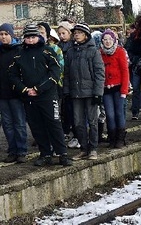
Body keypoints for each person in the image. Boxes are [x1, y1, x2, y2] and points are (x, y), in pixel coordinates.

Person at [8, 24, 72, 166]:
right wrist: (25, 89)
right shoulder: (18, 55)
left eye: (33, 37)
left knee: (54, 124)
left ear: (38, 37)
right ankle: (45, 154)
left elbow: (55, 73)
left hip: (48, 96)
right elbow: (13, 76)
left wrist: (38, 88)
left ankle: (63, 154)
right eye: (28, 37)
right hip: (29, 97)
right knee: (36, 126)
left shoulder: (48, 51)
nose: (30, 40)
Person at [63, 23, 105, 160]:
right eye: (75, 33)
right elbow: (67, 73)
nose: (76, 35)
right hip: (76, 93)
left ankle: (93, 148)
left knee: (93, 121)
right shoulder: (70, 52)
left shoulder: (93, 51)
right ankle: (83, 148)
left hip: (91, 92)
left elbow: (99, 73)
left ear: (85, 35)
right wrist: (67, 90)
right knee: (78, 122)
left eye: (79, 33)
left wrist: (98, 93)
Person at [0, 23, 28, 163]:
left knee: (19, 123)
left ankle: (22, 150)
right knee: (7, 124)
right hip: (2, 94)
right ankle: (12, 150)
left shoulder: (19, 50)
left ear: (11, 35)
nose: (3, 37)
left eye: (6, 34)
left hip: (16, 93)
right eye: (1, 34)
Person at [100, 29, 129, 148]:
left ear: (114, 40)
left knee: (119, 113)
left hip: (118, 88)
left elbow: (125, 71)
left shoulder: (120, 51)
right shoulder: (100, 53)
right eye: (105, 40)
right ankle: (112, 137)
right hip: (106, 88)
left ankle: (120, 138)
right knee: (109, 114)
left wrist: (124, 89)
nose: (107, 42)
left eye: (110, 39)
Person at [124, 15, 141, 120]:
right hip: (136, 66)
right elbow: (129, 49)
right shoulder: (134, 37)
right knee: (136, 89)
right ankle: (135, 111)